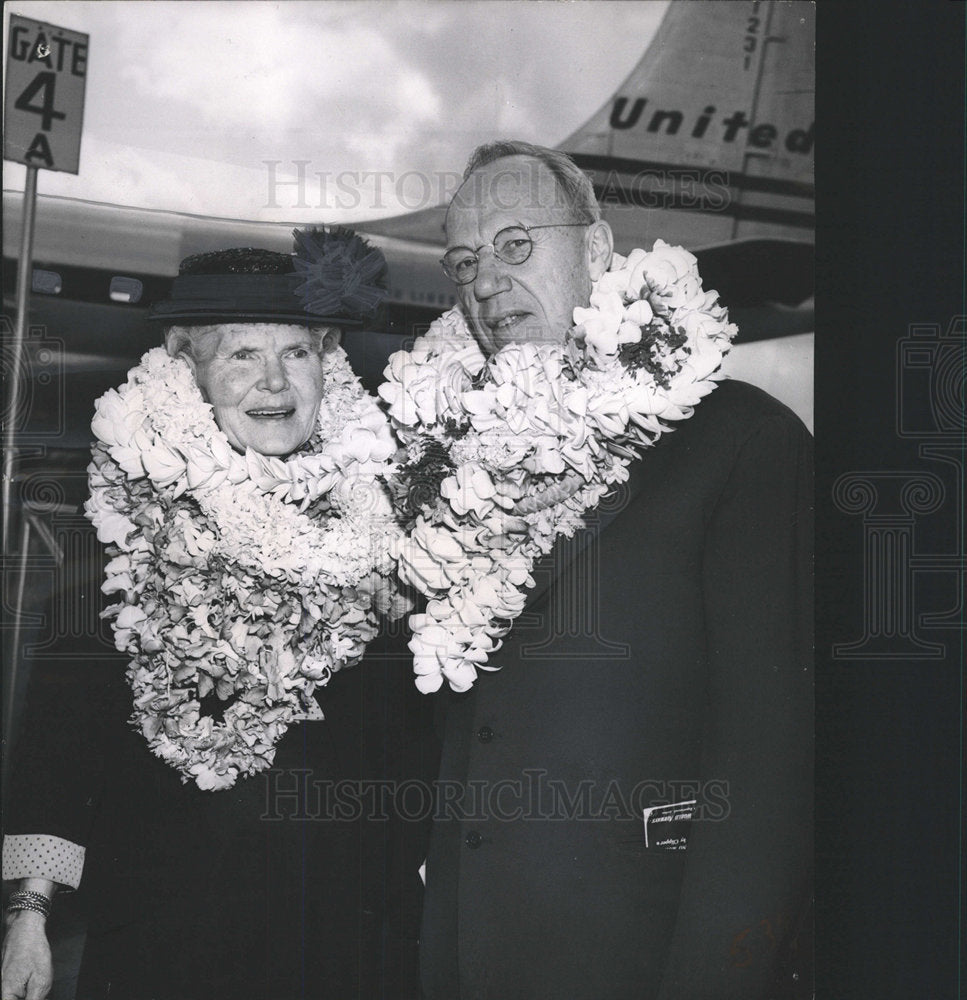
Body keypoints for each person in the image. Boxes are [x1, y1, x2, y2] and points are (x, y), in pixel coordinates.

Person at [408, 141, 813, 999]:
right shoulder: (447, 463)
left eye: (517, 245)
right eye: (464, 261)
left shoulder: (740, 443)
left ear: (595, 249)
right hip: (469, 953)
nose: (484, 282)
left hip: (637, 956)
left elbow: (767, 769)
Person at [2, 230, 437, 999]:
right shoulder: (125, 522)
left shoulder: (383, 520)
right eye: (241, 354)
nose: (273, 381)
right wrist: (30, 914)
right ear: (188, 367)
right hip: (167, 934)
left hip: (337, 938)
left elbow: (411, 744)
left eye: (295, 353)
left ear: (326, 365)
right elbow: (64, 732)